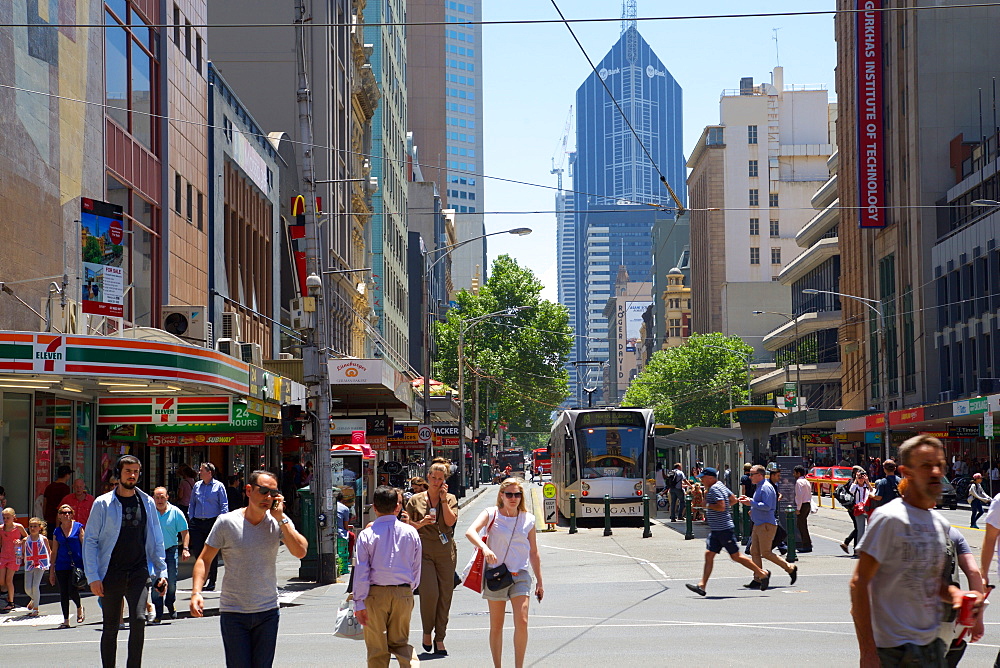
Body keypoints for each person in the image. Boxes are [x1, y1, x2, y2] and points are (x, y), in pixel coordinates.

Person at [851, 434, 981, 666]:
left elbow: (928, 581)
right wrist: (868, 651)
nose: (935, 472)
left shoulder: (939, 524)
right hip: (893, 651)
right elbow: (859, 585)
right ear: (906, 472)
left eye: (939, 465)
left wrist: (956, 596)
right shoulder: (890, 518)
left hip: (932, 647)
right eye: (925, 466)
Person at [190, 469, 308, 668]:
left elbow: (300, 551)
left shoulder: (278, 523)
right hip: (234, 612)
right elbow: (204, 559)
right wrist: (196, 593)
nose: (268, 497)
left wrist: (282, 518)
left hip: (267, 611)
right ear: (248, 490)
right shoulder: (227, 522)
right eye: (263, 491)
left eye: (273, 493)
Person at [83, 455, 168, 668]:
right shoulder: (102, 503)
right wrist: (93, 577)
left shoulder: (147, 501)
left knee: (139, 620)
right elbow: (91, 541)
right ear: (118, 474)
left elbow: (156, 537)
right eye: (128, 471)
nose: (132, 475)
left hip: (139, 571)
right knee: (111, 627)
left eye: (136, 472)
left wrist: (161, 571)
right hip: (111, 572)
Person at [465, 478, 543, 668]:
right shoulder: (491, 514)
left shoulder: (528, 519)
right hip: (496, 575)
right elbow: (470, 532)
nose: (513, 498)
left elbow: (533, 552)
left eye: (517, 494)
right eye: (509, 494)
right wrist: (485, 548)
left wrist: (540, 581)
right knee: (497, 626)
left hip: (520, 575)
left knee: (522, 621)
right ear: (501, 495)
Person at [354, 485, 422, 668]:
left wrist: (359, 601)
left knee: (377, 650)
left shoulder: (367, 534)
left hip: (375, 594)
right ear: (397, 507)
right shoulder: (411, 532)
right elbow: (416, 566)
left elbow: (361, 571)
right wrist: (409, 589)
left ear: (374, 508)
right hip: (403, 592)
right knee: (400, 643)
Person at [685, 468, 770, 596]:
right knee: (709, 555)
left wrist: (707, 505)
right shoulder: (720, 486)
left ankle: (762, 574)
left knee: (736, 556)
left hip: (723, 529)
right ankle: (702, 586)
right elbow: (734, 499)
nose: (701, 480)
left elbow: (721, 506)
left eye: (703, 478)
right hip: (717, 529)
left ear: (711, 478)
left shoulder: (714, 489)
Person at [405, 461, 459, 656]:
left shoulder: (450, 498)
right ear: (428, 477)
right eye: (434, 478)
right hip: (423, 550)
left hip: (445, 550)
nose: (436, 482)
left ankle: (440, 637)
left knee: (445, 595)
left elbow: (451, 521)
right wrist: (421, 523)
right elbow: (406, 525)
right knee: (430, 594)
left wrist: (443, 501)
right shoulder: (415, 500)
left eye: (440, 479)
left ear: (445, 480)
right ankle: (427, 631)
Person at [739, 465, 797, 588]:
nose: (750, 477)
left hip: (766, 525)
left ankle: (790, 568)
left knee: (765, 552)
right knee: (753, 551)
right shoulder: (759, 487)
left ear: (760, 475)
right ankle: (759, 577)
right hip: (758, 523)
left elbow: (768, 506)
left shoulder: (766, 487)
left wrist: (751, 503)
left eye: (752, 474)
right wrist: (751, 503)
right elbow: (760, 504)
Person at [938, 526, 986, 666]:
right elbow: (973, 572)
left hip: (905, 617)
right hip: (945, 616)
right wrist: (977, 619)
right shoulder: (950, 531)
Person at [187, 462, 229, 591]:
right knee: (199, 552)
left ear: (209, 473)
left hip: (212, 522)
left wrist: (222, 522)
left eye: (201, 470)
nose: (199, 472)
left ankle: (212, 580)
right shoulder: (197, 486)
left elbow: (224, 505)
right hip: (198, 523)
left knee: (212, 552)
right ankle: (204, 576)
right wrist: (191, 517)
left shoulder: (219, 486)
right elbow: (192, 503)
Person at [151, 486, 189, 622]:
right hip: (154, 552)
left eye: (162, 497)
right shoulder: (150, 513)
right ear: (153, 498)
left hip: (171, 550)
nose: (160, 500)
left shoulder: (175, 512)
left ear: (167, 497)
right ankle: (158, 612)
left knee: (171, 582)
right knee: (156, 582)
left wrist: (185, 548)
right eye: (157, 497)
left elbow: (185, 531)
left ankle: (170, 602)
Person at [49, 503, 85, 627]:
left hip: (76, 564)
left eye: (69, 512)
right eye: (64, 513)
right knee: (63, 592)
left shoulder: (78, 527)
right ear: (59, 516)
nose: (67, 515)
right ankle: (66, 620)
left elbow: (84, 545)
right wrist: (51, 569)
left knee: (72, 589)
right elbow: (54, 550)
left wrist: (89, 563)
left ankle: (79, 607)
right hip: (61, 564)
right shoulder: (57, 531)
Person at [840, 467, 874, 556]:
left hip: (867, 509)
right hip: (858, 510)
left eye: (862, 477)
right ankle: (859, 550)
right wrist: (856, 479)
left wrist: (867, 481)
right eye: (859, 477)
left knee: (870, 530)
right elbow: (851, 490)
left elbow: (873, 491)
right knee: (860, 530)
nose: (861, 479)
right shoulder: (855, 486)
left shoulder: (867, 486)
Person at [21, 517, 50, 617]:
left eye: (35, 526)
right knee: (27, 588)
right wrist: (18, 548)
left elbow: (48, 551)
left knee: (35, 585)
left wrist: (50, 564)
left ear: (39, 528)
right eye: (31, 526)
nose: (32, 528)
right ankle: (34, 599)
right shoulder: (25, 540)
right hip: (29, 563)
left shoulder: (43, 539)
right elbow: (22, 553)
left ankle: (35, 608)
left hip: (40, 564)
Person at [1, 506, 28, 612]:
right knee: (2, 580)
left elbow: (26, 537)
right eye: (4, 518)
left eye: (8, 517)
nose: (6, 520)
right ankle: (9, 594)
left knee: (9, 580)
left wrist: (21, 541)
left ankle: (11, 602)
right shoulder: (1, 528)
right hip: (3, 555)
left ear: (13, 517)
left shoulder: (18, 527)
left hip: (14, 555)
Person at [44, 465, 74, 533]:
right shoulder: (65, 488)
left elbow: (45, 502)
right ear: (66, 475)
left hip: (49, 517)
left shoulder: (50, 486)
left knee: (51, 539)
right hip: (61, 518)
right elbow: (66, 504)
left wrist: (45, 516)